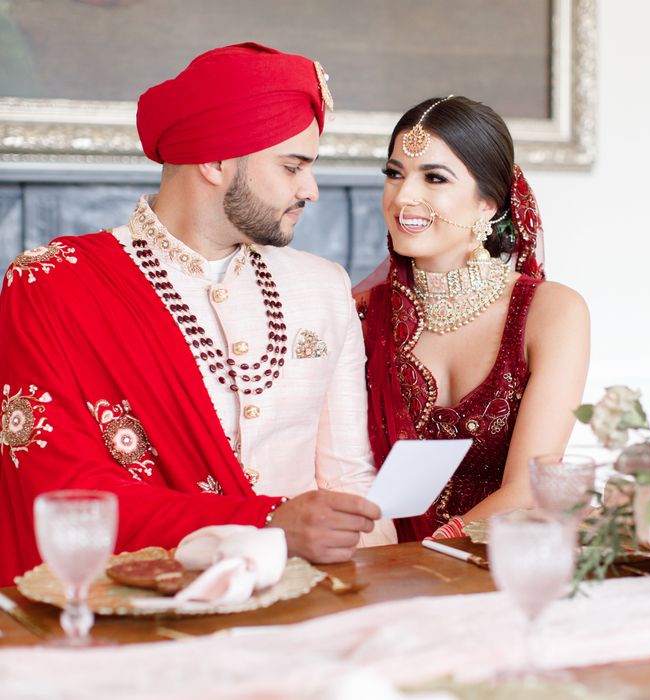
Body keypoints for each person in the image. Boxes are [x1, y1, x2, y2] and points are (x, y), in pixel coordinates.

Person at [0, 42, 395, 586]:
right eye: (292, 166)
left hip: (309, 600)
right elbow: (65, 496)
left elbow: (351, 478)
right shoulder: (54, 285)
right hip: (137, 606)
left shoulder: (322, 286)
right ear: (214, 160)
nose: (312, 189)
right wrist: (269, 523)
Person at [355, 95, 590, 542]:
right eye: (394, 174)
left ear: (488, 203)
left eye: (435, 178)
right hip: (376, 558)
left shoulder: (550, 313)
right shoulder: (361, 314)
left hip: (497, 560)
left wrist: (433, 551)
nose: (403, 197)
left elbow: (529, 488)